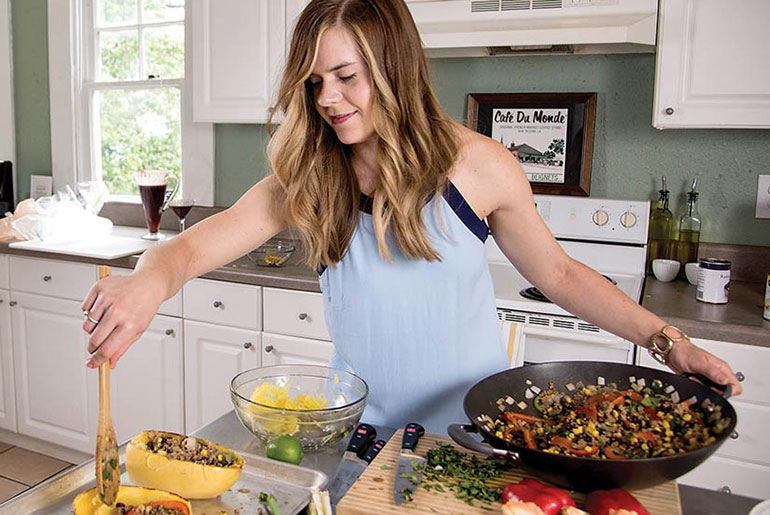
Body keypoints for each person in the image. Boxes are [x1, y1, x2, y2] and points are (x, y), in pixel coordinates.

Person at [81, 0, 741, 434]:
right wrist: (147, 280)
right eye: (313, 83)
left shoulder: (481, 167)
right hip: (357, 434)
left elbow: (563, 274)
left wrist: (669, 342)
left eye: (346, 76)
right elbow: (190, 250)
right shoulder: (310, 174)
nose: (328, 99)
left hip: (471, 436)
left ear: (394, 69)